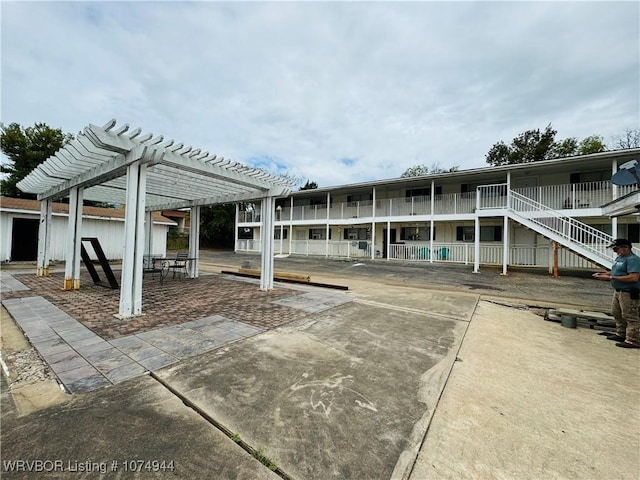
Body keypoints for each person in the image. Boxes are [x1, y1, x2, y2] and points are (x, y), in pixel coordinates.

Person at [592, 238, 640, 349]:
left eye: (616, 248)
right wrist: (604, 274)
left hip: (629, 292)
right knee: (617, 312)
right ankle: (621, 334)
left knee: (630, 316)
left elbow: (633, 277)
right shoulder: (620, 258)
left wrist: (611, 277)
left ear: (626, 248)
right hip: (618, 291)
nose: (615, 251)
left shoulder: (633, 260)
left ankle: (634, 340)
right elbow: (616, 271)